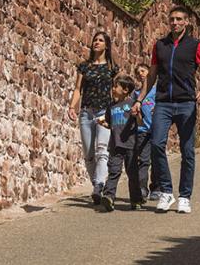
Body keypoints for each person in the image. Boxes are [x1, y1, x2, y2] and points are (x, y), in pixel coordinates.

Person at [133, 4, 200, 214]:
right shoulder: (160, 46)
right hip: (163, 103)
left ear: (186, 22)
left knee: (187, 151)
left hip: (186, 103)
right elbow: (151, 76)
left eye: (179, 19)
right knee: (157, 144)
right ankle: (166, 192)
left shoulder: (195, 45)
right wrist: (139, 100)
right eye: (172, 19)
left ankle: (185, 196)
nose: (175, 22)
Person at [68, 30, 118, 203]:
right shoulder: (84, 66)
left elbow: (117, 91)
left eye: (100, 40)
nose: (96, 42)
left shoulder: (112, 68)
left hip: (104, 112)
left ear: (106, 45)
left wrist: (117, 111)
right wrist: (72, 106)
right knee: (89, 154)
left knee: (102, 150)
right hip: (86, 112)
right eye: (95, 40)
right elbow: (78, 89)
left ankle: (99, 185)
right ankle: (96, 184)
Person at [96, 74, 145, 211]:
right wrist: (103, 123)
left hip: (130, 145)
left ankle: (136, 200)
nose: (113, 89)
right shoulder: (111, 106)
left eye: (116, 86)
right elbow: (110, 124)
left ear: (125, 90)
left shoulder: (132, 104)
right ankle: (109, 197)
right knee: (114, 171)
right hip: (115, 145)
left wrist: (137, 115)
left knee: (132, 173)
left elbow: (140, 123)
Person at [133, 61, 159, 200]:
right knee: (143, 160)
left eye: (143, 71)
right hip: (142, 130)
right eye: (138, 73)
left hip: (156, 129)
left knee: (157, 159)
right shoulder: (136, 94)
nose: (140, 74)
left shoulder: (156, 91)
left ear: (150, 73)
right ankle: (142, 188)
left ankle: (156, 187)